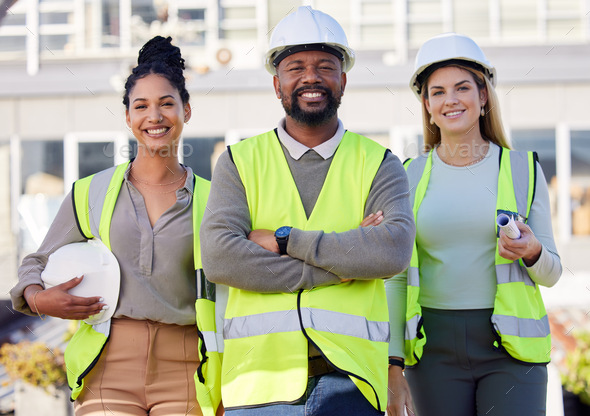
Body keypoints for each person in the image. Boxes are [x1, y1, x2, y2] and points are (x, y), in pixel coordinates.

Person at [200, 6, 415, 416]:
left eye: (325, 66)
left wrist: (284, 241)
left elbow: (390, 252)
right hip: (259, 382)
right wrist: (344, 265)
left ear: (343, 80)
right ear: (277, 84)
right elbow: (220, 258)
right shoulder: (239, 161)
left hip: (351, 382)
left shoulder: (380, 163)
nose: (311, 77)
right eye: (295, 67)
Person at [10, 36, 218, 416]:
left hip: (189, 369)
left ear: (186, 110)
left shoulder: (216, 199)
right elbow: (36, 262)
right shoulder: (91, 192)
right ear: (127, 117)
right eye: (141, 106)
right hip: (109, 369)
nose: (154, 116)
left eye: (166, 104)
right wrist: (39, 298)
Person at [390, 32, 563, 416]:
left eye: (462, 88)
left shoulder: (523, 170)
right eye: (438, 92)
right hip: (432, 350)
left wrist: (532, 252)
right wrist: (392, 364)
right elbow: (397, 278)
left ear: (483, 96)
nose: (450, 100)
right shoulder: (408, 176)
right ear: (427, 105)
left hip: (511, 350)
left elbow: (552, 273)